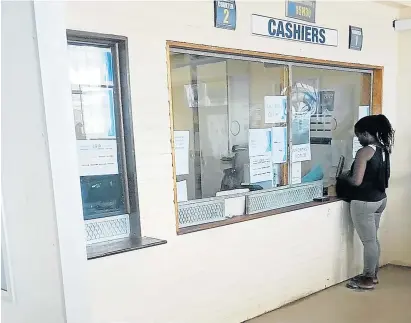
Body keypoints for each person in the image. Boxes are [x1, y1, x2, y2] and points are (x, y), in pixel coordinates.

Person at [338, 114, 394, 290]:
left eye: (360, 134)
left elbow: (356, 181)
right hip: (380, 199)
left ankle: (368, 278)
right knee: (373, 239)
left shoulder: (364, 152)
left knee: (368, 241)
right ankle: (373, 274)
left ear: (368, 133)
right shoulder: (383, 149)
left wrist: (344, 176)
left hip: (364, 202)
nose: (358, 138)